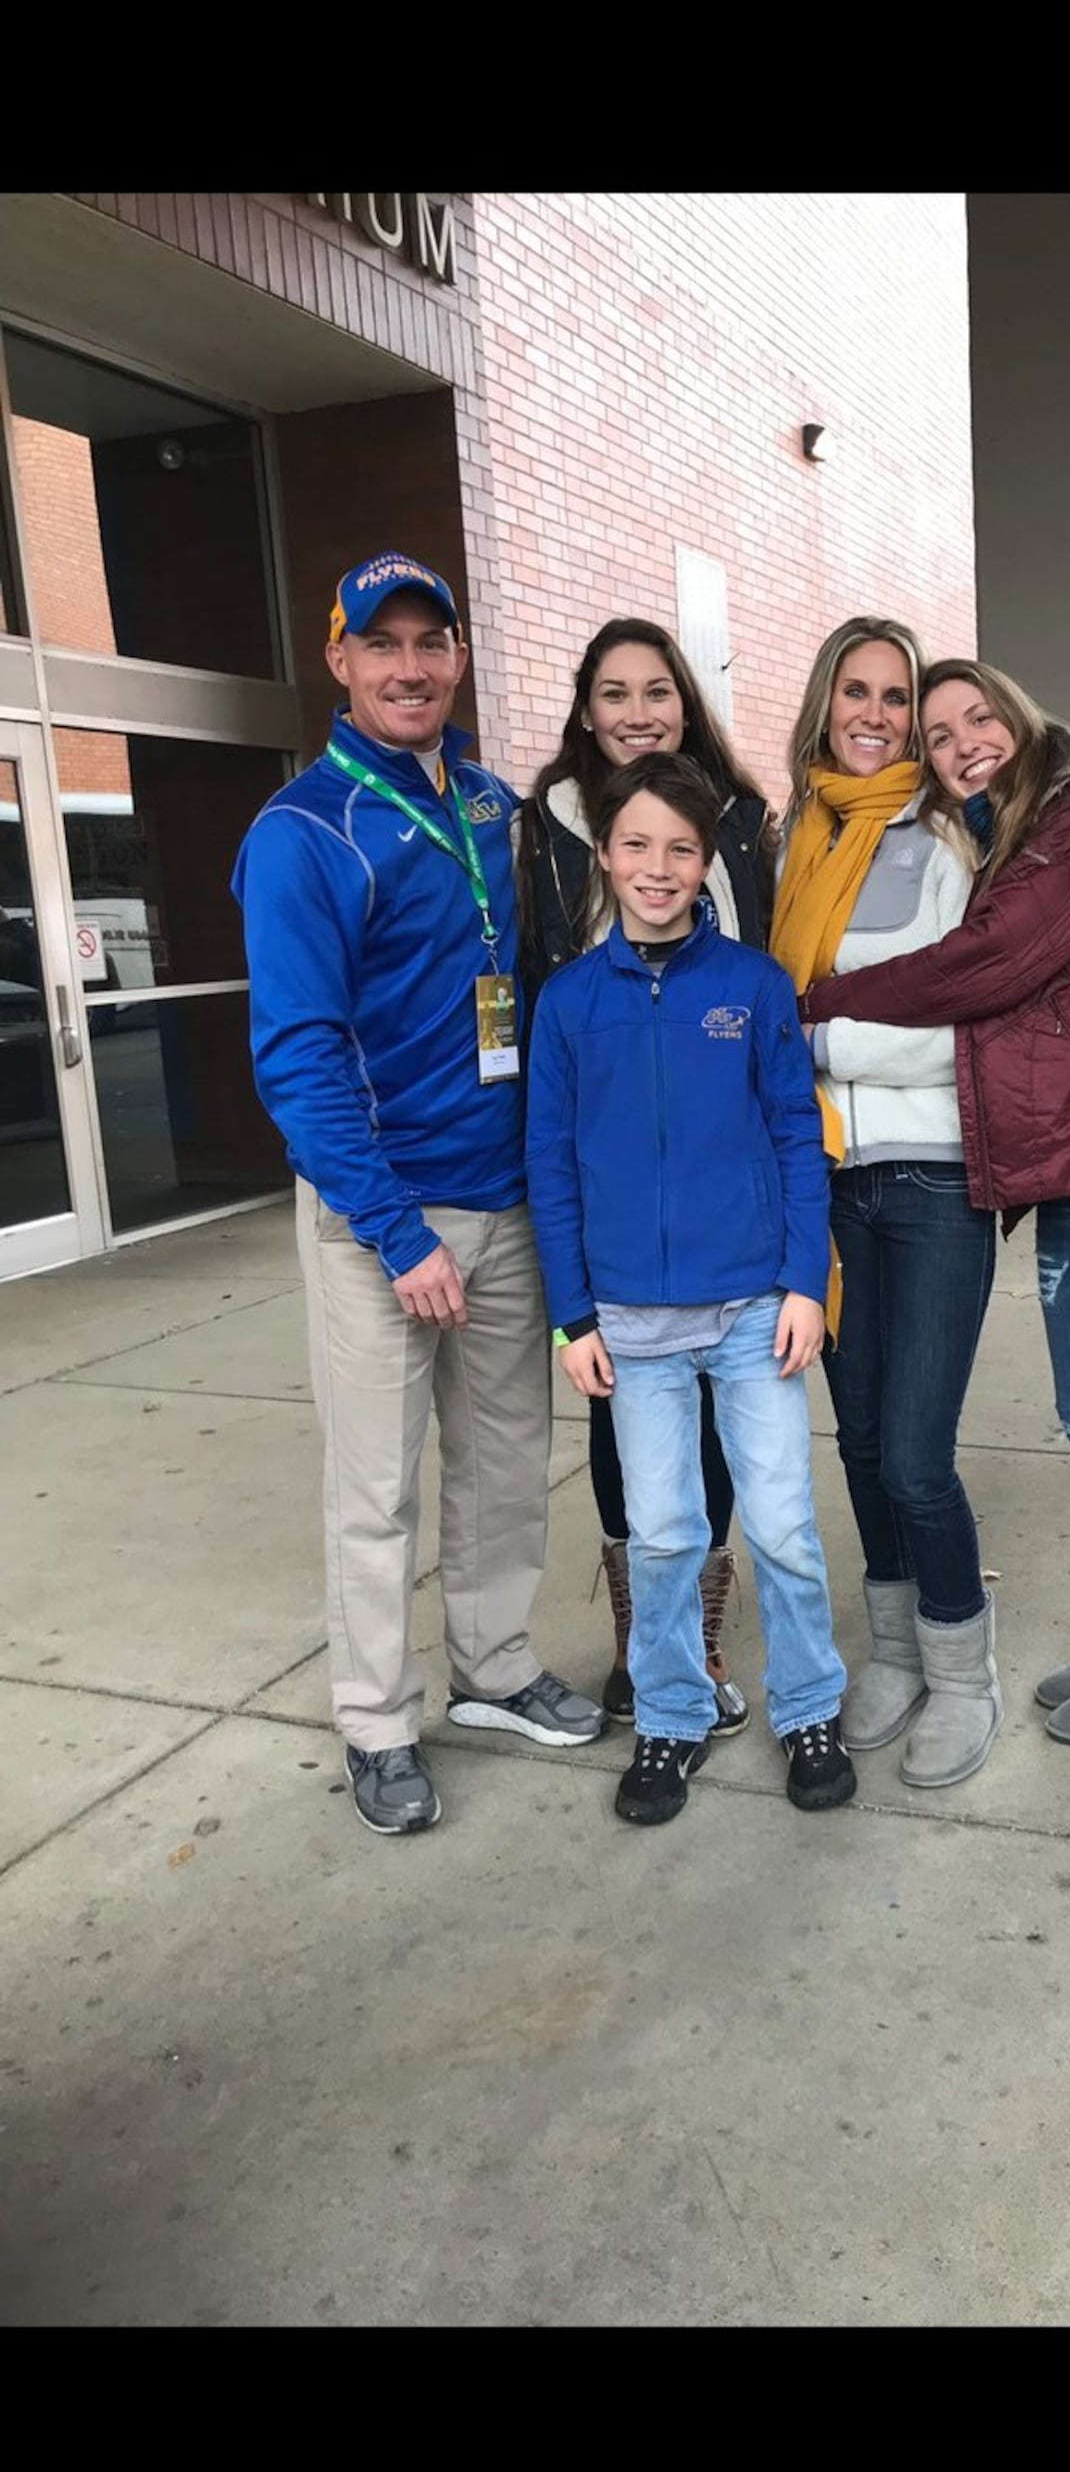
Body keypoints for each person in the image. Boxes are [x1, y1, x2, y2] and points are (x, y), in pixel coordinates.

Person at [232, 553, 603, 1839]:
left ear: (457, 659)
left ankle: (495, 1669)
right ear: (338, 661)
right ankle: (378, 1720)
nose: (408, 667)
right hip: (380, 1219)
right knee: (378, 1489)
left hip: (506, 1204)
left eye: (429, 643)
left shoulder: (498, 810)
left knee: (506, 1467)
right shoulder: (302, 836)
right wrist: (394, 1232)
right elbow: (298, 1056)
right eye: (379, 644)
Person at [801, 659, 1070, 1749]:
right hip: (1068, 1167)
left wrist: (823, 998)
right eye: (939, 737)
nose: (959, 744)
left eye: (973, 718)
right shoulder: (1005, 835)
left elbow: (985, 967)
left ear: (1016, 713)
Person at [525, 752, 851, 1826]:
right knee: (663, 1532)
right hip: (630, 1321)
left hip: (754, 1307)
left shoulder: (751, 988)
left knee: (782, 1526)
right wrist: (571, 1314)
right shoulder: (570, 1005)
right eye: (635, 847)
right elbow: (551, 1167)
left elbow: (798, 1140)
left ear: (705, 861)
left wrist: (804, 1280)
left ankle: (808, 1706)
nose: (656, 869)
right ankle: (669, 1717)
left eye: (679, 849)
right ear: (606, 859)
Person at [516, 619, 774, 1738]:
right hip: (606, 1165)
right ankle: (641, 1645)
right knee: (619, 1417)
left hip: (717, 1185)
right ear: (584, 708)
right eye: (612, 692)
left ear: (686, 704)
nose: (635, 711)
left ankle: (699, 1635)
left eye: (656, 691)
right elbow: (519, 973)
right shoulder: (544, 828)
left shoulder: (741, 821)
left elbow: (761, 981)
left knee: (718, 1426)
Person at [769, 617, 1003, 1791]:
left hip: (931, 1181)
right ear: (825, 703)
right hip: (823, 1185)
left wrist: (821, 1032)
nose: (874, 713)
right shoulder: (792, 841)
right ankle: (899, 1657)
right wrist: (818, 1033)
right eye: (854, 691)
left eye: (895, 695)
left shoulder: (953, 840)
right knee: (858, 1445)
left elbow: (964, 1026)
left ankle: (965, 1672)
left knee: (916, 1454)